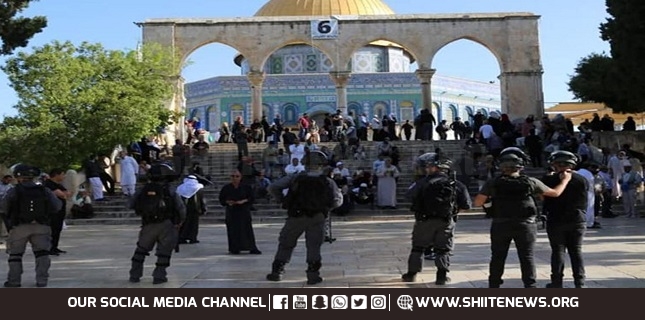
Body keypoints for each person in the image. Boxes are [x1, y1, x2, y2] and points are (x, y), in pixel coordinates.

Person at [473, 147, 572, 288]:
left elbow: (478, 202)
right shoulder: (531, 182)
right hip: (526, 224)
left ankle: (494, 284)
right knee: (527, 256)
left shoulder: (493, 182)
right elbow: (555, 193)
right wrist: (565, 181)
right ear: (520, 166)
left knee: (498, 256)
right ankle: (530, 285)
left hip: (501, 223)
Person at [265, 164, 343, 285]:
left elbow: (272, 187)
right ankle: (313, 275)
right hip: (318, 217)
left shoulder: (295, 178)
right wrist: (325, 208)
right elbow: (337, 201)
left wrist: (283, 200)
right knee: (314, 246)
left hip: (296, 215)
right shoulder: (327, 181)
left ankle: (277, 272)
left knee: (286, 243)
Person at [402, 153, 471, 285]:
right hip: (446, 221)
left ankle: (411, 274)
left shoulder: (421, 183)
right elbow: (466, 205)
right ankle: (441, 276)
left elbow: (408, 198)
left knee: (418, 248)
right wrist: (452, 211)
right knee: (443, 249)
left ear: (434, 168)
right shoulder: (456, 184)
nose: (426, 169)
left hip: (424, 221)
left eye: (428, 167)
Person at [2, 165, 62, 288]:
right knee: (42, 254)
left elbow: (3, 207)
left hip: (19, 226)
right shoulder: (44, 190)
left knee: (15, 255)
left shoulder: (13, 190)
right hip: (41, 225)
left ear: (18, 177)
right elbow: (57, 206)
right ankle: (42, 281)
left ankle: (14, 281)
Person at [540, 151, 591, 288]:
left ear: (555, 164)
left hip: (556, 219)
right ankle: (579, 282)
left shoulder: (549, 180)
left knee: (557, 251)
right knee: (576, 251)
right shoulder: (581, 179)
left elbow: (542, 197)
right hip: (577, 219)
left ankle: (556, 282)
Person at [128, 163, 186, 284]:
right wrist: (180, 221)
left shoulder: (143, 189)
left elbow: (131, 204)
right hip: (167, 224)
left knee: (141, 250)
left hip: (148, 224)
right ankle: (159, 275)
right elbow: (180, 207)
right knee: (164, 252)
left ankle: (135, 274)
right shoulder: (169, 190)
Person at [218, 170, 261, 255]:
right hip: (232, 212)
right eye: (233, 176)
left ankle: (251, 247)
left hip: (243, 211)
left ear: (240, 177)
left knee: (246, 230)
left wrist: (243, 201)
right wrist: (228, 202)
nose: (235, 178)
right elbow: (222, 199)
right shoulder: (226, 188)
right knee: (233, 230)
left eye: (237, 176)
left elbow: (251, 198)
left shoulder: (246, 187)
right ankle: (235, 248)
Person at [43, 168, 71, 256]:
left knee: (57, 229)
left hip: (60, 210)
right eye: (62, 174)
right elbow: (62, 194)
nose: (64, 176)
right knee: (52, 229)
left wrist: (64, 194)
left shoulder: (58, 185)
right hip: (52, 211)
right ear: (56, 175)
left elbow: (68, 193)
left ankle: (55, 247)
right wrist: (64, 194)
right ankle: (49, 248)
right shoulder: (49, 184)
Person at [177, 175, 206, 244]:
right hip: (195, 209)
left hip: (184, 209)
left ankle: (182, 237)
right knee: (193, 225)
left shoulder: (181, 188)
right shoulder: (199, 187)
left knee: (184, 224)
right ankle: (192, 238)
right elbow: (202, 199)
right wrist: (203, 208)